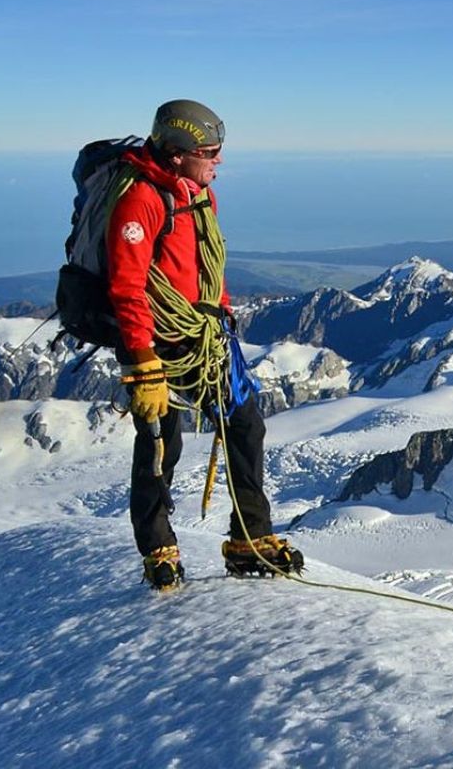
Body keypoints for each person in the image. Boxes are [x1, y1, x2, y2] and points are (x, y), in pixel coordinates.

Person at [110, 99, 303, 589]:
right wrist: (142, 363)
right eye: (210, 152)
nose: (218, 161)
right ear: (177, 153)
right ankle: (157, 547)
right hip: (157, 341)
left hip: (205, 336)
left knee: (244, 424)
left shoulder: (196, 194)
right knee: (161, 441)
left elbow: (204, 265)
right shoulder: (141, 201)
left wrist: (221, 314)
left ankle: (249, 539)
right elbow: (127, 287)